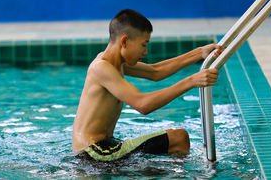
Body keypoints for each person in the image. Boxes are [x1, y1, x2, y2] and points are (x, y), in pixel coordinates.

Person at [72, 9, 222, 162]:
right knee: (179, 138)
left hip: (103, 149)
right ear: (124, 41)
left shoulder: (116, 63)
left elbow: (155, 71)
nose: (146, 51)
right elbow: (143, 105)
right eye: (143, 45)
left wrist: (199, 53)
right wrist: (191, 81)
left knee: (161, 158)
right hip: (93, 154)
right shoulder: (101, 68)